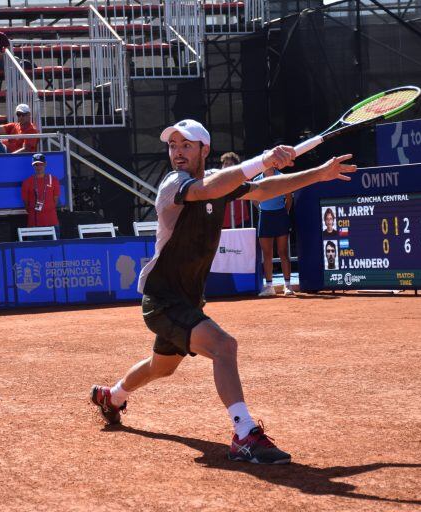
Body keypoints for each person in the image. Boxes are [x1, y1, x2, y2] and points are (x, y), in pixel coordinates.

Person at [90, 119, 355, 464]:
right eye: (173, 146)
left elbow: (263, 189)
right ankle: (244, 433)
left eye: (187, 145)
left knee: (161, 367)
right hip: (162, 299)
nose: (178, 152)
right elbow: (208, 190)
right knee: (223, 346)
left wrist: (316, 174)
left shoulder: (219, 180)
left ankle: (112, 396)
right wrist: (263, 160)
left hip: (187, 299)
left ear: (205, 150)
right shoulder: (175, 184)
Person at [252, 167, 294, 297]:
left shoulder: (282, 176)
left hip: (280, 215)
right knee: (267, 253)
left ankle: (287, 286)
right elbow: (254, 199)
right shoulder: (256, 180)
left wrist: (283, 213)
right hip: (265, 217)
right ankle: (269, 286)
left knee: (283, 252)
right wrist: (263, 210)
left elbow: (289, 198)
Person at [21, 153, 60, 233]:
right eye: (36, 165)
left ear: (45, 164)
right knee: (35, 245)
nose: (38, 167)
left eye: (41, 164)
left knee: (54, 245)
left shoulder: (53, 180)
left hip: (51, 221)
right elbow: (26, 203)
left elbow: (56, 200)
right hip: (34, 222)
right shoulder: (27, 182)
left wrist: (47, 208)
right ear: (33, 166)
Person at [220, 152, 250, 228]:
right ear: (222, 166)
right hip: (222, 221)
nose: (227, 166)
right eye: (226, 163)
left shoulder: (243, 178)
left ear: (236, 166)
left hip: (240, 220)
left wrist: (260, 210)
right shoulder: (216, 180)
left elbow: (253, 193)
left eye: (230, 163)